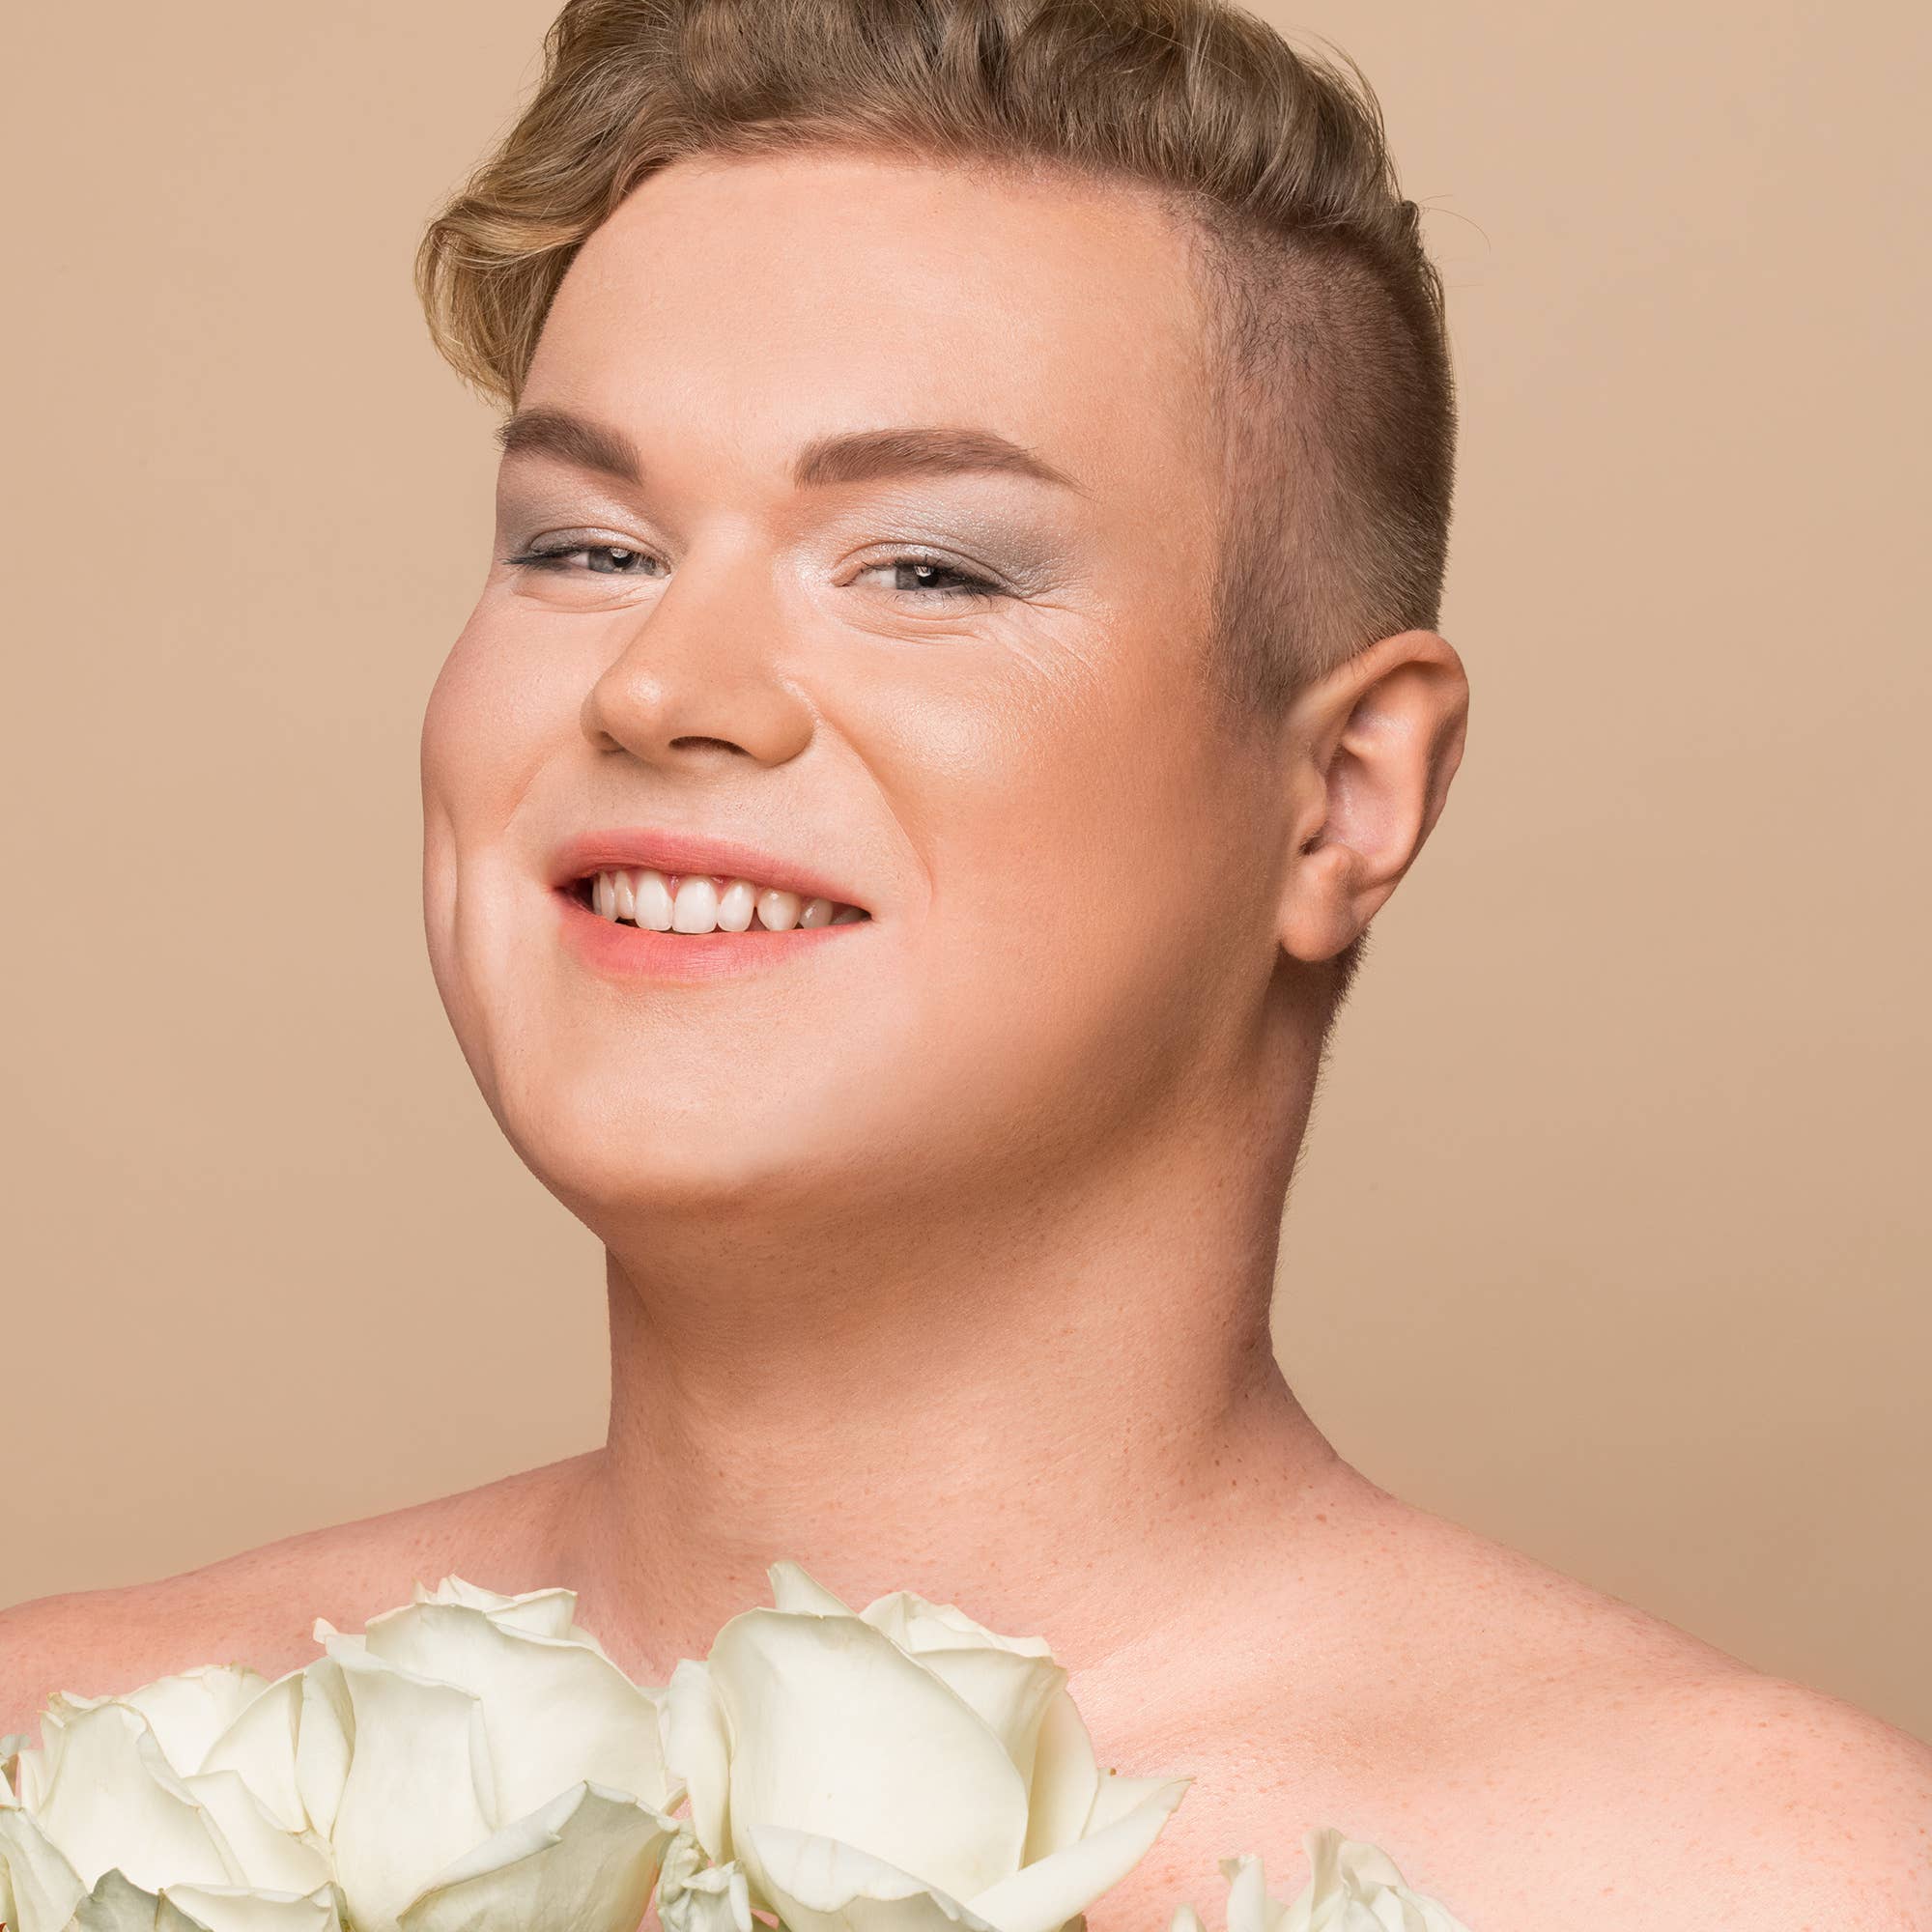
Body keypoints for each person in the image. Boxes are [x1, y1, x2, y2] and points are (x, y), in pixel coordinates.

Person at [4, 0, 1927, 1924]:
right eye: (585, 545)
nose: (661, 686)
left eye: (927, 567)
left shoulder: (1759, 1888)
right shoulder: (53, 1762)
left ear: (1344, 792)